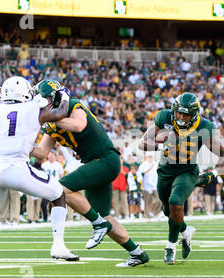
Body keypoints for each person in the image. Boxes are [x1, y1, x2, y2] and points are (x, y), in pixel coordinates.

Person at [31, 79, 149, 267]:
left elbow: (79, 125)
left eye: (46, 100)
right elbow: (42, 152)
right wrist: (21, 147)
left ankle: (98, 224)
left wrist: (52, 117)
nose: (44, 104)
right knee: (104, 216)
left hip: (105, 159)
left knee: (60, 190)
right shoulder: (51, 122)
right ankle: (136, 252)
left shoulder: (72, 105)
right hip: (95, 163)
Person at [0, 76, 77, 271]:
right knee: (59, 195)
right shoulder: (32, 108)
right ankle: (58, 245)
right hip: (17, 167)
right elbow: (60, 113)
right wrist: (64, 96)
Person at [138, 92, 224, 264]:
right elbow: (142, 143)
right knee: (168, 211)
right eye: (178, 112)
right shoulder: (164, 117)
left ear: (194, 115)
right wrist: (162, 147)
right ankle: (186, 232)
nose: (180, 116)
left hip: (187, 171)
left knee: (175, 201)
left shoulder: (204, 127)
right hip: (165, 171)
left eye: (185, 114)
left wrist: (214, 174)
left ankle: (170, 246)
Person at [138, 152, 162, 218]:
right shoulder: (143, 165)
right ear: (147, 157)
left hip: (155, 186)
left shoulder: (157, 164)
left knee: (159, 200)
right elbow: (139, 175)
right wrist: (141, 182)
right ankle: (147, 216)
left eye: (151, 157)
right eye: (149, 157)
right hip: (146, 186)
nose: (150, 158)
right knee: (147, 202)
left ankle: (156, 213)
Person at [112, 155, 130, 219]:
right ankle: (117, 215)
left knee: (124, 201)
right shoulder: (113, 167)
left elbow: (127, 177)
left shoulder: (126, 168)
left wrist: (128, 186)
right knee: (115, 201)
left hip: (123, 186)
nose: (120, 160)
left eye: (121, 159)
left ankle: (126, 215)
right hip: (114, 186)